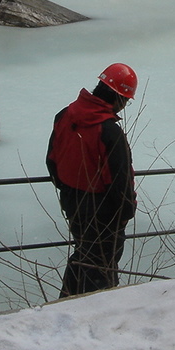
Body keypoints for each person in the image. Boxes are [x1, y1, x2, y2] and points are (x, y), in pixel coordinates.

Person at [46, 63, 138, 297]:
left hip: (72, 203)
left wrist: (68, 191)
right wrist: (126, 213)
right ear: (119, 98)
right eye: (126, 101)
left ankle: (68, 300)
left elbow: (52, 161)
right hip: (104, 212)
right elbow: (121, 183)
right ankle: (92, 307)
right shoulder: (109, 133)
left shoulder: (65, 115)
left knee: (84, 254)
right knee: (102, 267)